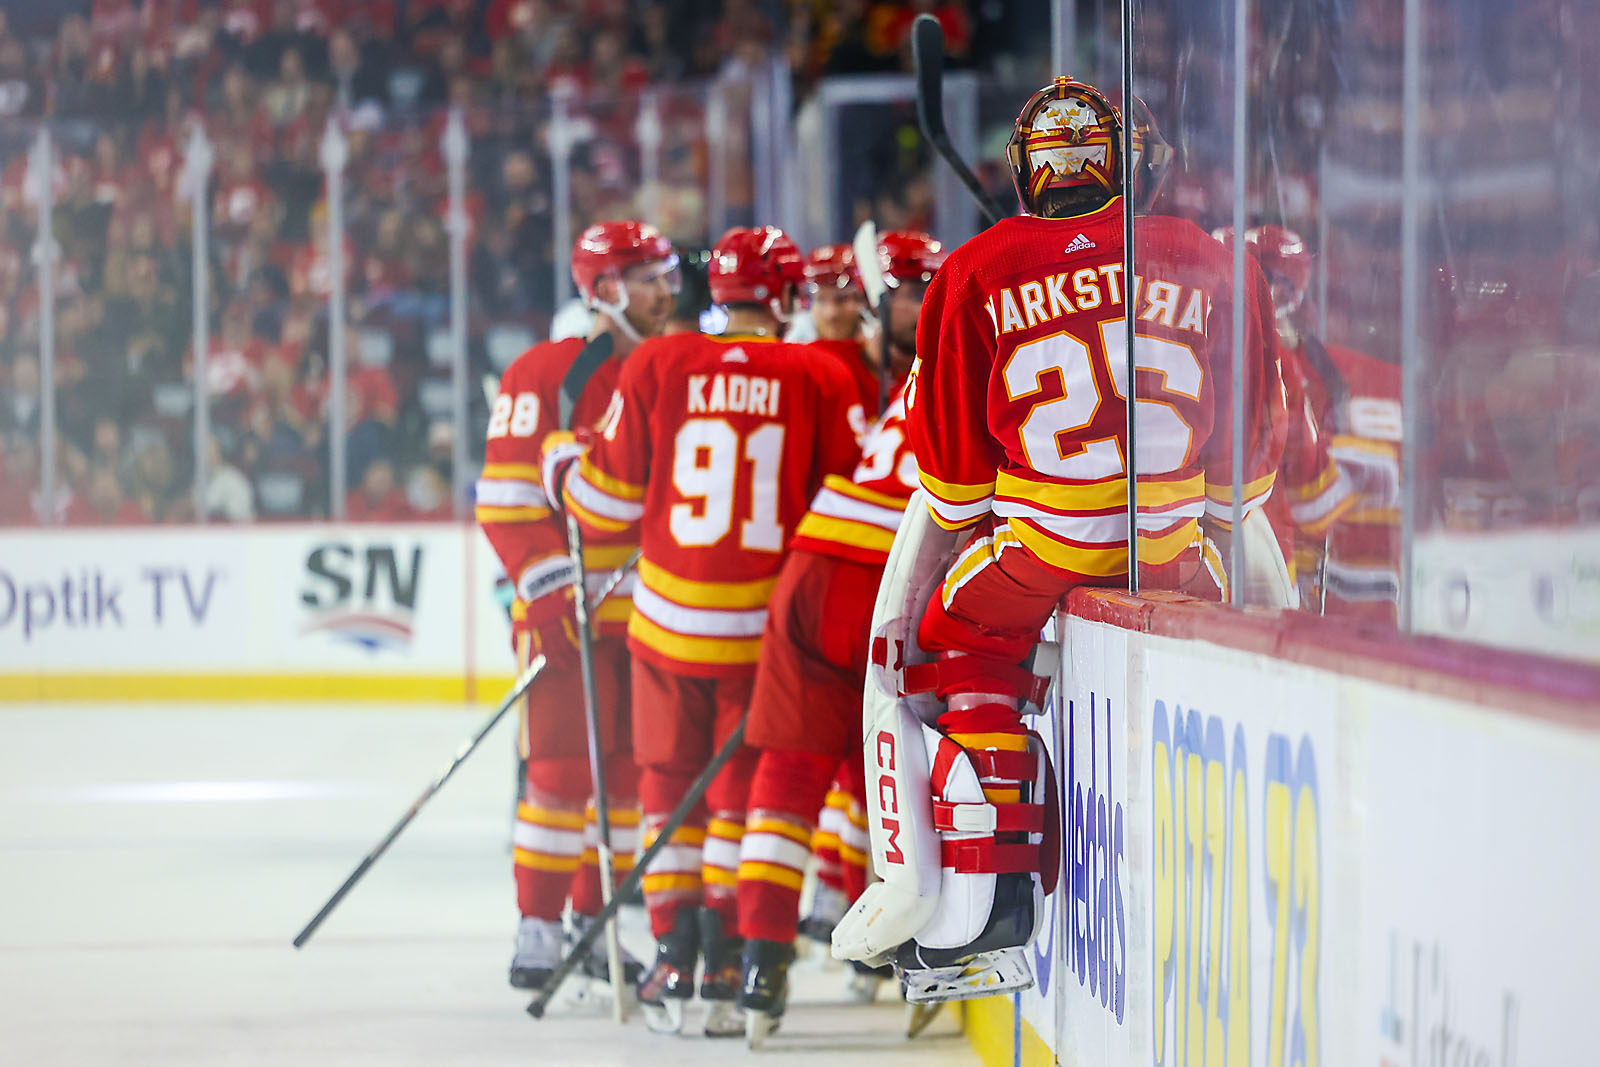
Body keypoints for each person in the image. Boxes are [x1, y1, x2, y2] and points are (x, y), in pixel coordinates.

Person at [832, 77, 1286, 1003]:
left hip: (1042, 545)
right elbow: (1246, 478)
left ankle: (984, 909)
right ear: (1122, 162)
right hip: (1172, 551)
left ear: (1029, 173)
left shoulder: (976, 271)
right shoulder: (1214, 260)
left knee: (959, 647)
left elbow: (955, 485)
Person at [557, 225, 865, 1036]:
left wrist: (566, 467)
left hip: (667, 621)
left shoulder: (656, 361)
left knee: (666, 782)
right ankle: (730, 958)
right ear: (788, 298)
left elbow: (606, 510)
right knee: (738, 799)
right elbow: (847, 510)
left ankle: (671, 952)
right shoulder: (819, 373)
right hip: (762, 628)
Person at [734, 231, 943, 1041]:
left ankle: (758, 963)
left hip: (809, 568)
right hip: (879, 586)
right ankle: (901, 946)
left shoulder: (901, 373)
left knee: (788, 779)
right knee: (896, 766)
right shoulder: (967, 361)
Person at [476, 219, 679, 992]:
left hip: (650, 616)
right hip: (565, 616)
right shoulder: (541, 372)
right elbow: (505, 498)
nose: (667, 290)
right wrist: (547, 580)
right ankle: (536, 924)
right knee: (559, 773)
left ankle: (596, 926)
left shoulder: (671, 367)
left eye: (665, 276)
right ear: (604, 289)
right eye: (650, 277)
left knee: (627, 780)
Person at [1214, 225, 1355, 608]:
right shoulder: (1283, 363)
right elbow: (1316, 496)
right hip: (1259, 548)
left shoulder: (1181, 333)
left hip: (1178, 542)